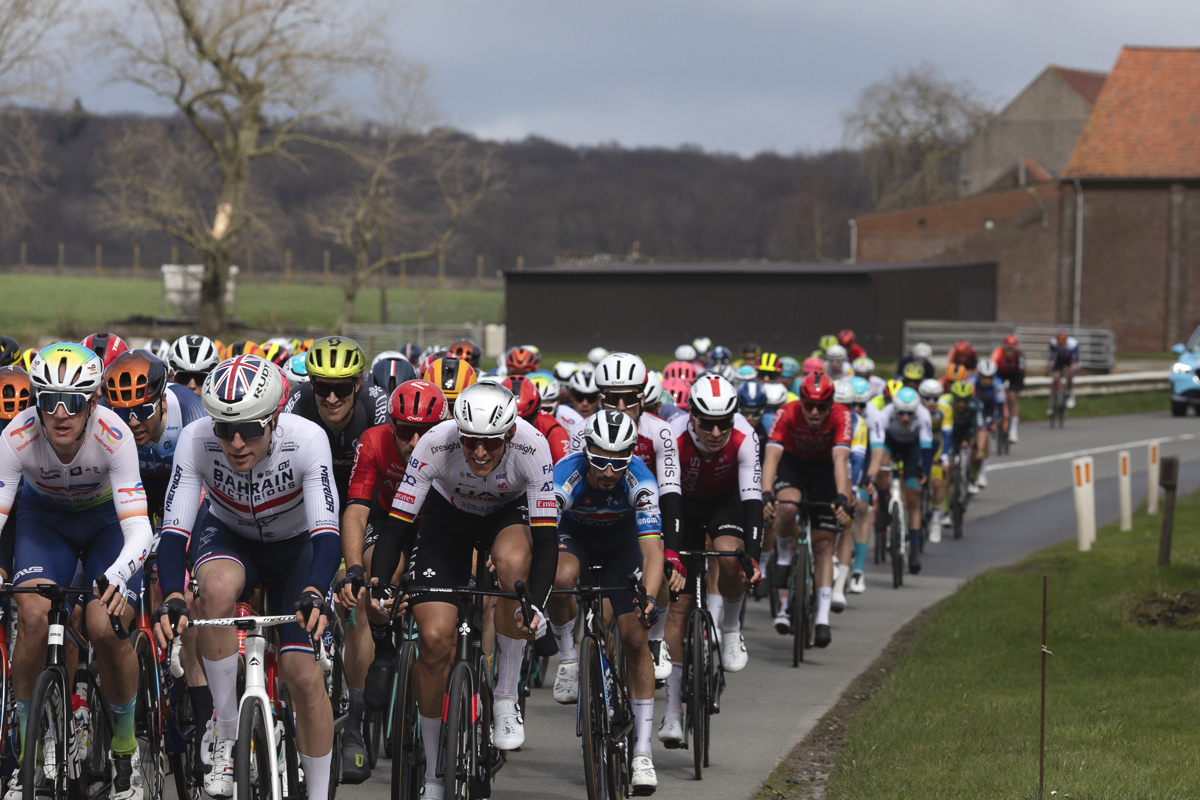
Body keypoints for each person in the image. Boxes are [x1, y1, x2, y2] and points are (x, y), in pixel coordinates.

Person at [153, 354, 340, 800]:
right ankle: (225, 730)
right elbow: (174, 531)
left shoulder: (308, 439)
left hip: (296, 548)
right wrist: (175, 594)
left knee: (303, 675)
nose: (236, 442)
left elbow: (327, 534)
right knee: (213, 592)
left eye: (250, 429)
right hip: (229, 534)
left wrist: (314, 589)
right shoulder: (196, 439)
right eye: (224, 428)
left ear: (275, 419)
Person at [369, 382, 555, 798]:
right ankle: (435, 773)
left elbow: (544, 541)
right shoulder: (435, 443)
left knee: (512, 566)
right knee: (433, 641)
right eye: (471, 442)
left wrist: (536, 605)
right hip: (447, 521)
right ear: (458, 431)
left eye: (490, 443)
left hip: (506, 515)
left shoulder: (533, 446)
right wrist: (380, 585)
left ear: (509, 434)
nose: (480, 453)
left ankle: (506, 697)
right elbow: (397, 527)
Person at [0, 343, 153, 800]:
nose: (61, 414)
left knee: (103, 624)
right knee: (31, 616)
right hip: (46, 523)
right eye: (49, 401)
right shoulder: (15, 437)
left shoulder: (115, 435)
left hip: (108, 524)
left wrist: (119, 575)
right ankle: (29, 757)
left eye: (74, 401)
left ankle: (125, 751)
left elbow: (141, 529)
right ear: (37, 404)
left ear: (93, 402)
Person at [549, 410, 664, 791]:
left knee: (634, 639)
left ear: (631, 454)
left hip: (622, 545)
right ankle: (568, 657)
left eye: (618, 462)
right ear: (586, 450)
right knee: (561, 576)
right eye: (600, 460)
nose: (609, 471)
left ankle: (642, 752)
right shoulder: (568, 472)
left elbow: (652, 552)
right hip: (574, 538)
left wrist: (647, 595)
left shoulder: (642, 480)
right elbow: (543, 536)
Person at [339, 379, 447, 781]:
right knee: (374, 578)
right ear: (392, 426)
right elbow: (356, 510)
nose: (413, 440)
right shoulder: (373, 441)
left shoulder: (454, 446)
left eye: (424, 432)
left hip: (439, 526)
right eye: (404, 430)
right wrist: (354, 571)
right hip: (389, 523)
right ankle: (356, 725)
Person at [659, 375, 762, 746]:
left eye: (725, 422)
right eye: (708, 423)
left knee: (733, 560)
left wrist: (752, 556)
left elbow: (752, 502)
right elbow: (667, 499)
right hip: (681, 506)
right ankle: (672, 711)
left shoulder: (745, 435)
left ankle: (731, 630)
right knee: (677, 607)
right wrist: (672, 553)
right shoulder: (672, 434)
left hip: (725, 502)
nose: (717, 432)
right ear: (691, 416)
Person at [575, 353, 682, 682]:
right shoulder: (583, 431)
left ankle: (657, 638)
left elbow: (671, 494)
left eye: (629, 398)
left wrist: (672, 552)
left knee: (659, 566)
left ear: (643, 396)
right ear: (600, 398)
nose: (620, 406)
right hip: (596, 520)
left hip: (643, 518)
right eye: (611, 399)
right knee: (601, 614)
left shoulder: (660, 432)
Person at [760, 373, 851, 647]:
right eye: (809, 404)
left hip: (824, 469)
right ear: (800, 401)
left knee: (823, 545)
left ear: (831, 404)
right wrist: (766, 494)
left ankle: (822, 619)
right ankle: (785, 557)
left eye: (821, 406)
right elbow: (772, 456)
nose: (814, 411)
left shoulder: (842, 415)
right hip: (793, 465)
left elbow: (840, 460)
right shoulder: (786, 412)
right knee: (787, 506)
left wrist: (842, 498)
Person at [866, 387, 932, 573]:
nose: (905, 418)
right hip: (890, 444)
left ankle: (914, 552)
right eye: (901, 413)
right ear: (894, 409)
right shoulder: (885, 414)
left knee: (914, 500)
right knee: (880, 463)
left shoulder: (923, 414)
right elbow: (877, 446)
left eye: (909, 414)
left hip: (912, 448)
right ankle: (882, 505)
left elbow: (926, 448)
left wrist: (923, 472)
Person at [504, 374, 569, 463]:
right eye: (509, 422)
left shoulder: (554, 432)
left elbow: (562, 473)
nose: (516, 430)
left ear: (536, 415)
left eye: (526, 420)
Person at [969, 359, 1006, 492]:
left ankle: (981, 474)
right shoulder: (971, 381)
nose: (986, 381)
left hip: (988, 411)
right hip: (973, 409)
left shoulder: (998, 384)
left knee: (983, 440)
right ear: (979, 375)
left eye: (989, 378)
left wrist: (996, 422)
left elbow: (1000, 406)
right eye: (984, 377)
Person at [991, 334, 1025, 442]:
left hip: (1014, 375)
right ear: (1003, 348)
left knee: (1012, 397)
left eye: (1012, 349)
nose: (1009, 352)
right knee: (995, 394)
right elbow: (991, 371)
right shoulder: (997, 353)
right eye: (1007, 349)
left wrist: (1017, 389)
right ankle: (995, 419)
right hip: (999, 373)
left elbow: (1021, 374)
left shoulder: (1020, 356)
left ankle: (1013, 430)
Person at [558, 368, 599, 432]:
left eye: (591, 398)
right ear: (570, 396)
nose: (585, 404)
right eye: (579, 398)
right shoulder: (559, 414)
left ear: (599, 399)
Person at [1047, 332, 1080, 410]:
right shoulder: (1053, 343)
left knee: (1070, 374)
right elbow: (1050, 355)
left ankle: (1071, 393)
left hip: (1070, 359)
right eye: (1059, 344)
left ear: (1066, 342)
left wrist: (1072, 368)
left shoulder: (1073, 344)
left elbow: (1075, 359)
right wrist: (1049, 363)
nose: (1060, 346)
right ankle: (1051, 405)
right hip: (1060, 359)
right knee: (1055, 378)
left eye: (1062, 344)